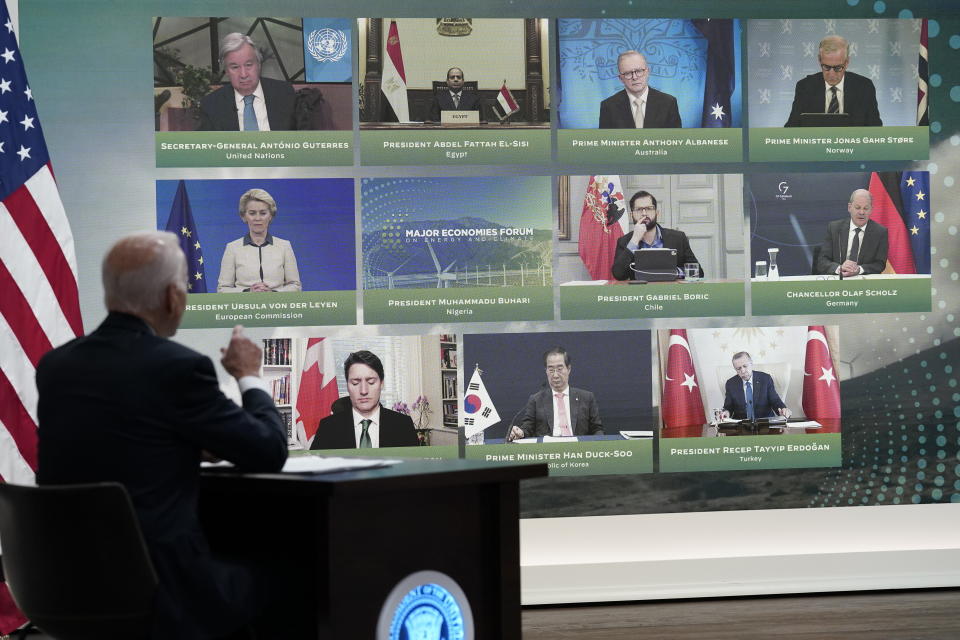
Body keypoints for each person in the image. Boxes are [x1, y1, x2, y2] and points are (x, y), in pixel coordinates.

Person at [36, 231, 288, 639]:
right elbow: (269, 450)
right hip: (164, 593)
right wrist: (250, 377)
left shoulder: (56, 366)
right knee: (293, 571)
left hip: (67, 585)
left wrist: (179, 443)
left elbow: (117, 442)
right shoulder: (178, 368)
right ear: (174, 297)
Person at [310, 350, 420, 449]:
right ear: (347, 385)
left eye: (371, 382)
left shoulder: (403, 425)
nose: (363, 391)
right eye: (355, 383)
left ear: (381, 383)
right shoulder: (328, 428)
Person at [199, 32, 297, 131]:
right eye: (235, 67)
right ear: (227, 71)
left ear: (259, 65)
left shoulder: (284, 93)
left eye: (249, 65)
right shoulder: (212, 104)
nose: (243, 74)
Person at [507, 347, 604, 441]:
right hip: (548, 452)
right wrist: (521, 432)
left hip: (579, 450)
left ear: (568, 369)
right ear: (546, 371)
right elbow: (527, 428)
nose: (555, 375)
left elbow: (597, 429)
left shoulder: (586, 398)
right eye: (551, 370)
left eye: (559, 369)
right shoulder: (536, 399)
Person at [784, 35, 882, 127]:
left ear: (847, 62)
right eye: (826, 67)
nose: (831, 74)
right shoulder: (805, 87)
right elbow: (792, 127)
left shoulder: (864, 87)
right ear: (819, 60)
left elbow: (875, 129)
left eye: (838, 68)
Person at [217, 188, 302, 293]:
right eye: (252, 213)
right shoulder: (233, 248)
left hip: (277, 307)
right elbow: (222, 289)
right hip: (244, 307)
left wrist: (274, 294)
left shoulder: (284, 246)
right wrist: (248, 292)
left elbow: (295, 286)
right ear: (243, 216)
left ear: (270, 216)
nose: (258, 218)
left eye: (263, 213)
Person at [612, 190, 703, 281]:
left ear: (657, 213)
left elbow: (698, 272)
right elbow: (618, 275)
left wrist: (674, 272)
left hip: (671, 293)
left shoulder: (678, 238)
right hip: (640, 293)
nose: (644, 213)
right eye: (639, 209)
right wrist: (634, 240)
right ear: (631, 215)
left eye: (649, 208)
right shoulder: (624, 241)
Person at [814, 188, 889, 276]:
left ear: (871, 210)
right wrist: (840, 268)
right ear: (849, 207)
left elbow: (880, 264)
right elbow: (822, 261)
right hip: (837, 282)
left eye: (866, 208)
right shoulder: (834, 228)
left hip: (864, 284)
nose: (862, 212)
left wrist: (859, 270)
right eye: (857, 208)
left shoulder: (880, 232)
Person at [599, 50, 681, 129]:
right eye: (627, 73)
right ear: (620, 78)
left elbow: (676, 140)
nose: (634, 77)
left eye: (639, 71)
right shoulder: (608, 106)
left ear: (647, 72)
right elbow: (606, 141)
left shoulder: (669, 102)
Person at [721, 351, 791, 421]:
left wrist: (783, 410)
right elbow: (728, 407)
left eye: (745, 366)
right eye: (738, 368)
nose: (742, 371)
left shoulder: (765, 379)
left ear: (751, 363)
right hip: (741, 426)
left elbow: (775, 401)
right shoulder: (731, 384)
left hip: (764, 424)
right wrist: (726, 413)